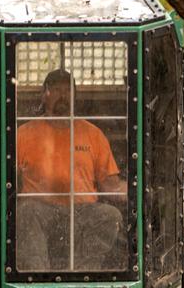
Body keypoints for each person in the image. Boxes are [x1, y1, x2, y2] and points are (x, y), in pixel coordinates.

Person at [16, 69, 126, 272]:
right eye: (56, 90)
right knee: (25, 212)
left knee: (111, 215)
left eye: (68, 90)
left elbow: (111, 185)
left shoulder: (93, 134)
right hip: (41, 210)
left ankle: (82, 275)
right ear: (44, 95)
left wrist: (138, 189)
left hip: (82, 211)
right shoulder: (23, 134)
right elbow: (6, 179)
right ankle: (38, 278)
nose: (62, 95)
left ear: (75, 96)